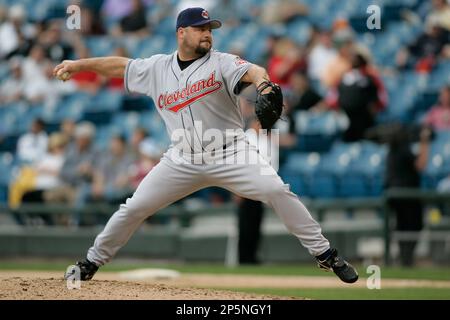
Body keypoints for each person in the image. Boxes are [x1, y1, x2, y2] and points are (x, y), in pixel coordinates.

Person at [55, 7, 358, 283]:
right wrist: (80, 64)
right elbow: (120, 66)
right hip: (182, 159)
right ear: (181, 33)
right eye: (201, 29)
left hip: (231, 153)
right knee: (133, 208)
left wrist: (264, 83)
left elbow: (254, 72)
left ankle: (325, 254)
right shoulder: (158, 68)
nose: (207, 34)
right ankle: (90, 262)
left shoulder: (222, 62)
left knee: (277, 190)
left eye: (210, 29)